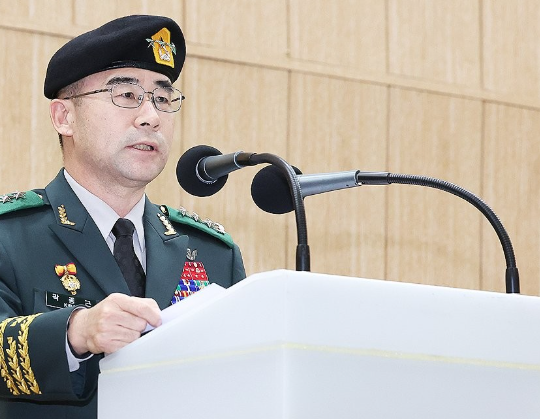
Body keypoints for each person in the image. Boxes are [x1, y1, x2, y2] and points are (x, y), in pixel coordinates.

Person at [0, 15, 245, 418]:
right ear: (64, 117)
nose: (151, 116)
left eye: (163, 98)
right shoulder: (11, 236)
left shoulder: (214, 253)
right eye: (127, 95)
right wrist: (74, 333)